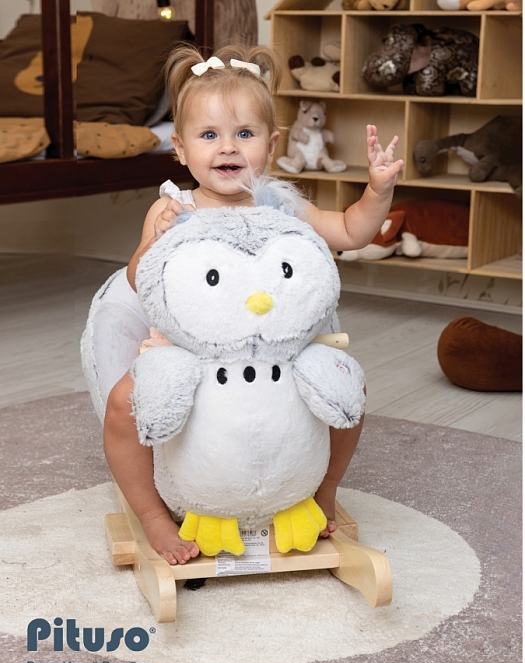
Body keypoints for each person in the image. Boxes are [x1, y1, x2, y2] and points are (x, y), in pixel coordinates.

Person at [104, 43, 404, 566]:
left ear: (271, 145)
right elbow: (137, 278)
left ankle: (324, 488)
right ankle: (152, 515)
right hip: (195, 352)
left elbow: (350, 231)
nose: (228, 147)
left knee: (348, 386)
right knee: (122, 404)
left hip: (278, 350)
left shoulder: (282, 205)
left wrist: (378, 190)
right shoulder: (174, 208)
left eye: (245, 133)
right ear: (180, 148)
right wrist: (155, 239)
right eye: (209, 135)